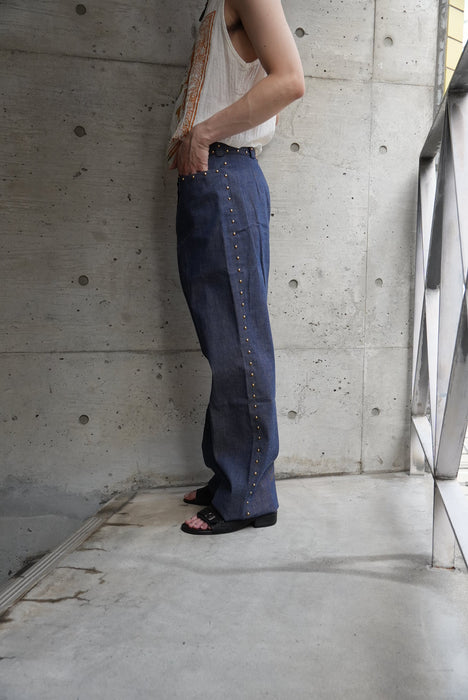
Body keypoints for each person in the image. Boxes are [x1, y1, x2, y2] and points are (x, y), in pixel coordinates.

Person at [168, 0, 304, 534]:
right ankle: (231, 474)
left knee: (239, 342)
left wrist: (201, 134)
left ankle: (249, 497)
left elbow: (289, 80)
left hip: (223, 172)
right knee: (223, 340)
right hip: (210, 180)